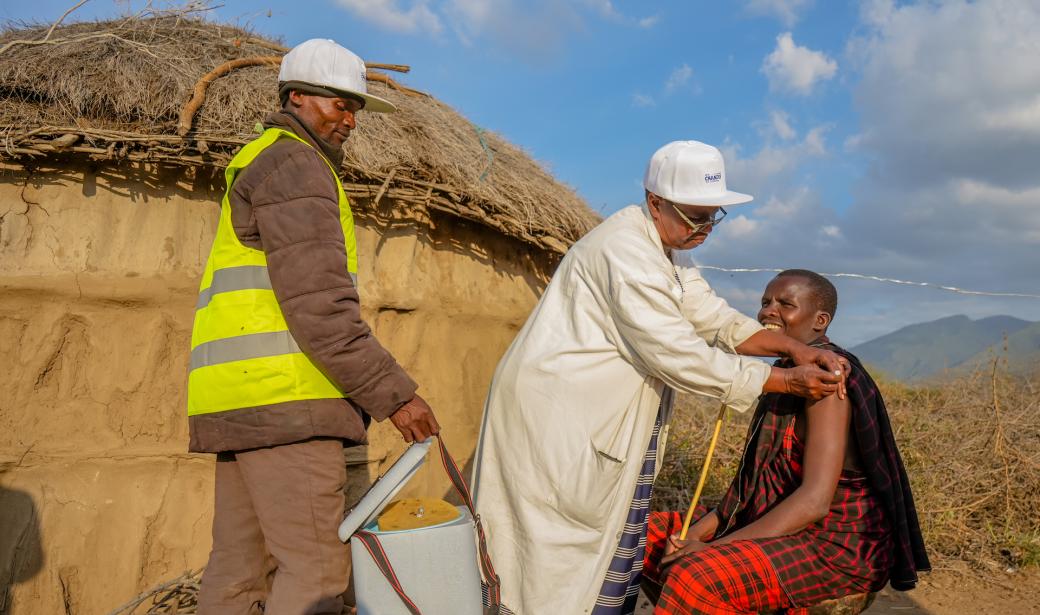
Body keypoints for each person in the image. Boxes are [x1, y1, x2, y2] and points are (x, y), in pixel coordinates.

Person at [472, 141, 851, 615]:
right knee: (551, 554)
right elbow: (674, 352)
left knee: (607, 539)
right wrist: (785, 381)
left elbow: (711, 316)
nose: (706, 229)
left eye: (714, 216)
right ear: (655, 202)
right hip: (564, 419)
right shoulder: (623, 251)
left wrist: (789, 348)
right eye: (696, 216)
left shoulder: (669, 251)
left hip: (606, 419)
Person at [186, 39, 440, 615]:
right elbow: (319, 305)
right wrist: (395, 396)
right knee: (318, 572)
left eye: (355, 109)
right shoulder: (298, 165)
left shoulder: (265, 158)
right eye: (337, 104)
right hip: (288, 401)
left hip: (241, 402)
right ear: (295, 95)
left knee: (237, 571)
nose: (349, 120)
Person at [642, 270, 930, 615]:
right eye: (765, 303)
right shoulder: (784, 375)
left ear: (820, 320)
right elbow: (744, 498)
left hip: (831, 544)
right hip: (769, 521)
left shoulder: (826, 382)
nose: (768, 312)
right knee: (643, 538)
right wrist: (692, 538)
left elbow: (814, 503)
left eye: (785, 304)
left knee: (695, 575)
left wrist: (710, 550)